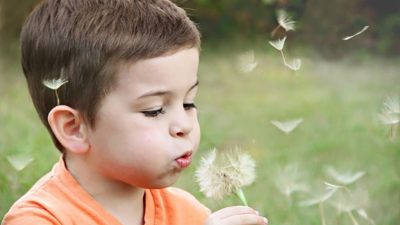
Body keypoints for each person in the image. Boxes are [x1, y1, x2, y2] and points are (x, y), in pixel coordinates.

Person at [2, 0, 269, 225]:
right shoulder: (41, 218)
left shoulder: (188, 213)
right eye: (154, 110)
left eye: (188, 103)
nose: (184, 125)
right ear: (74, 128)